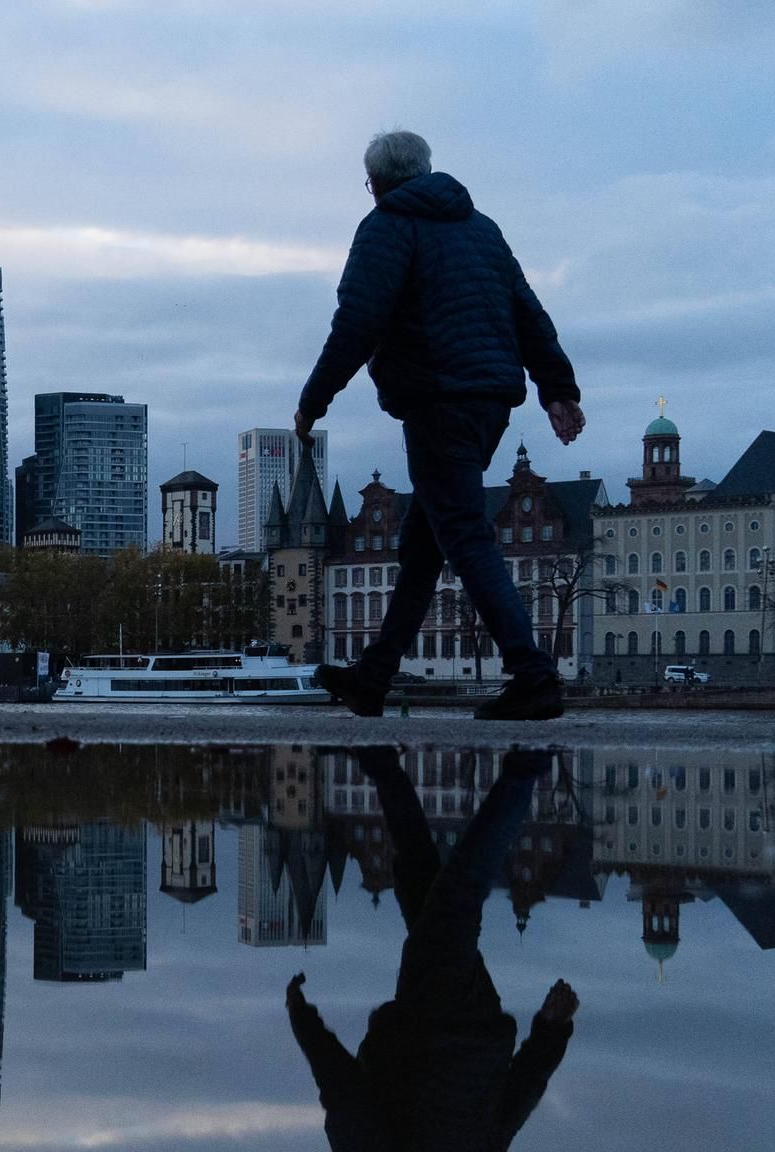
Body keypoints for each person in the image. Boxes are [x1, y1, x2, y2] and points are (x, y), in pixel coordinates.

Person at [294, 129, 585, 721]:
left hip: (437, 399)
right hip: (491, 402)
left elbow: (357, 322)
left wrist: (313, 401)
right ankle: (373, 677)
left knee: (465, 536)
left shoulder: (386, 226)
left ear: (376, 183)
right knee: (425, 545)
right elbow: (528, 311)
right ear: (426, 171)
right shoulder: (482, 229)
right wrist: (557, 388)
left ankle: (533, 675)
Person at [287, 747, 577, 1151]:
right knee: (457, 897)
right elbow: (344, 1093)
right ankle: (526, 766)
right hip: (430, 1025)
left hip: (477, 1031)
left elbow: (514, 1107)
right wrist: (303, 1022)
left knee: (421, 882)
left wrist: (550, 1033)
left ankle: (382, 764)